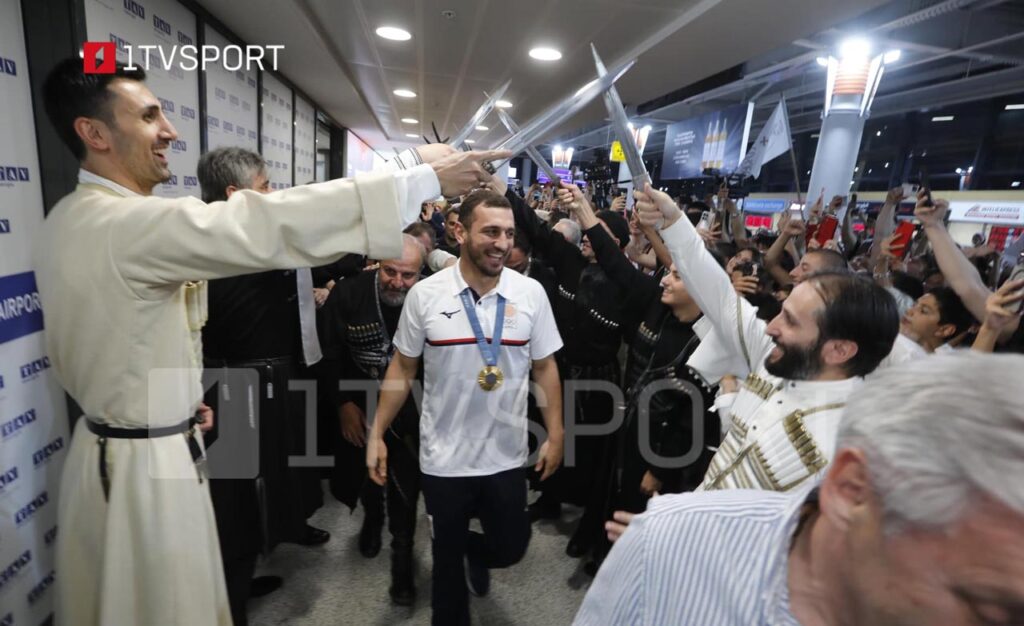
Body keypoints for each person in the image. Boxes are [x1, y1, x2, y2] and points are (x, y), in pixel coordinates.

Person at [35, 58, 507, 626]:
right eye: (150, 115)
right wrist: (416, 174)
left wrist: (175, 402)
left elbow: (125, 338)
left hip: (140, 437)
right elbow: (267, 223)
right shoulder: (123, 224)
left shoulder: (75, 215)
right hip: (139, 472)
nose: (171, 131)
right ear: (95, 133)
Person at [574, 352, 1024, 626]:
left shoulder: (831, 430)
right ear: (849, 492)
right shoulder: (671, 542)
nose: (772, 326)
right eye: (982, 606)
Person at [365, 189, 564, 626]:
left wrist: (556, 433)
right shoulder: (426, 295)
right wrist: (377, 433)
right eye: (490, 231)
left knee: (512, 548)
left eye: (509, 233)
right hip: (444, 459)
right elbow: (402, 367)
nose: (501, 242)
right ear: (459, 231)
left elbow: (546, 366)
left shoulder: (530, 294)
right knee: (446, 574)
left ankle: (474, 552)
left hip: (505, 454)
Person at [633, 184, 899, 492]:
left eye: (790, 321)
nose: (771, 327)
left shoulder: (846, 450)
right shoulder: (775, 354)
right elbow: (719, 295)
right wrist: (673, 221)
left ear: (839, 350)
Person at [196, 147, 331, 625]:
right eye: (267, 186)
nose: (274, 195)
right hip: (232, 386)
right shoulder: (229, 247)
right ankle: (230, 607)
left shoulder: (238, 240)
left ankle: (243, 577)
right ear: (237, 196)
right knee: (233, 505)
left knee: (256, 494)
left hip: (251, 380)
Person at [556, 184, 719, 536]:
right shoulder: (653, 302)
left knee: (640, 520)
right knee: (613, 501)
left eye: (676, 275)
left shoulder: (707, 342)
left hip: (658, 449)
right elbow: (615, 263)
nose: (666, 278)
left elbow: (688, 418)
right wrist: (584, 210)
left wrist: (659, 469)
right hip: (629, 427)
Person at [495, 175, 630, 565]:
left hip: (603, 379)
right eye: (587, 231)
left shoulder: (626, 283)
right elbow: (537, 230)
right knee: (553, 434)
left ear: (616, 244)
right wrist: (504, 190)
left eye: (598, 232)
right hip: (565, 369)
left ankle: (590, 522)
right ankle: (550, 499)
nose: (588, 237)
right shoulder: (571, 263)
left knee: (596, 453)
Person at [320, 235, 426, 606]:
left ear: (421, 272)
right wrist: (343, 403)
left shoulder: (429, 298)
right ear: (377, 264)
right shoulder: (348, 293)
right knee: (367, 471)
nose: (398, 282)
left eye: (408, 275)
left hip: (411, 405)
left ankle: (401, 559)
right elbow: (329, 353)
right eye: (390, 271)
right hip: (358, 398)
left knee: (405, 483)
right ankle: (371, 517)